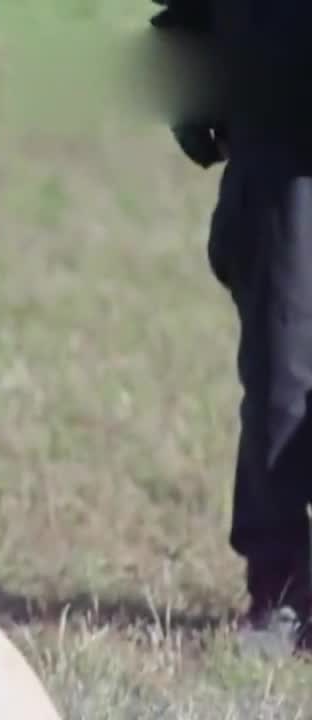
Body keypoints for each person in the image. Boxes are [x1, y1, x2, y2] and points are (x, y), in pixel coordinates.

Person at [151, 0, 312, 652]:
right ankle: (280, 593)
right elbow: (189, 15)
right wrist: (198, 95)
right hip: (280, 153)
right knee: (285, 383)